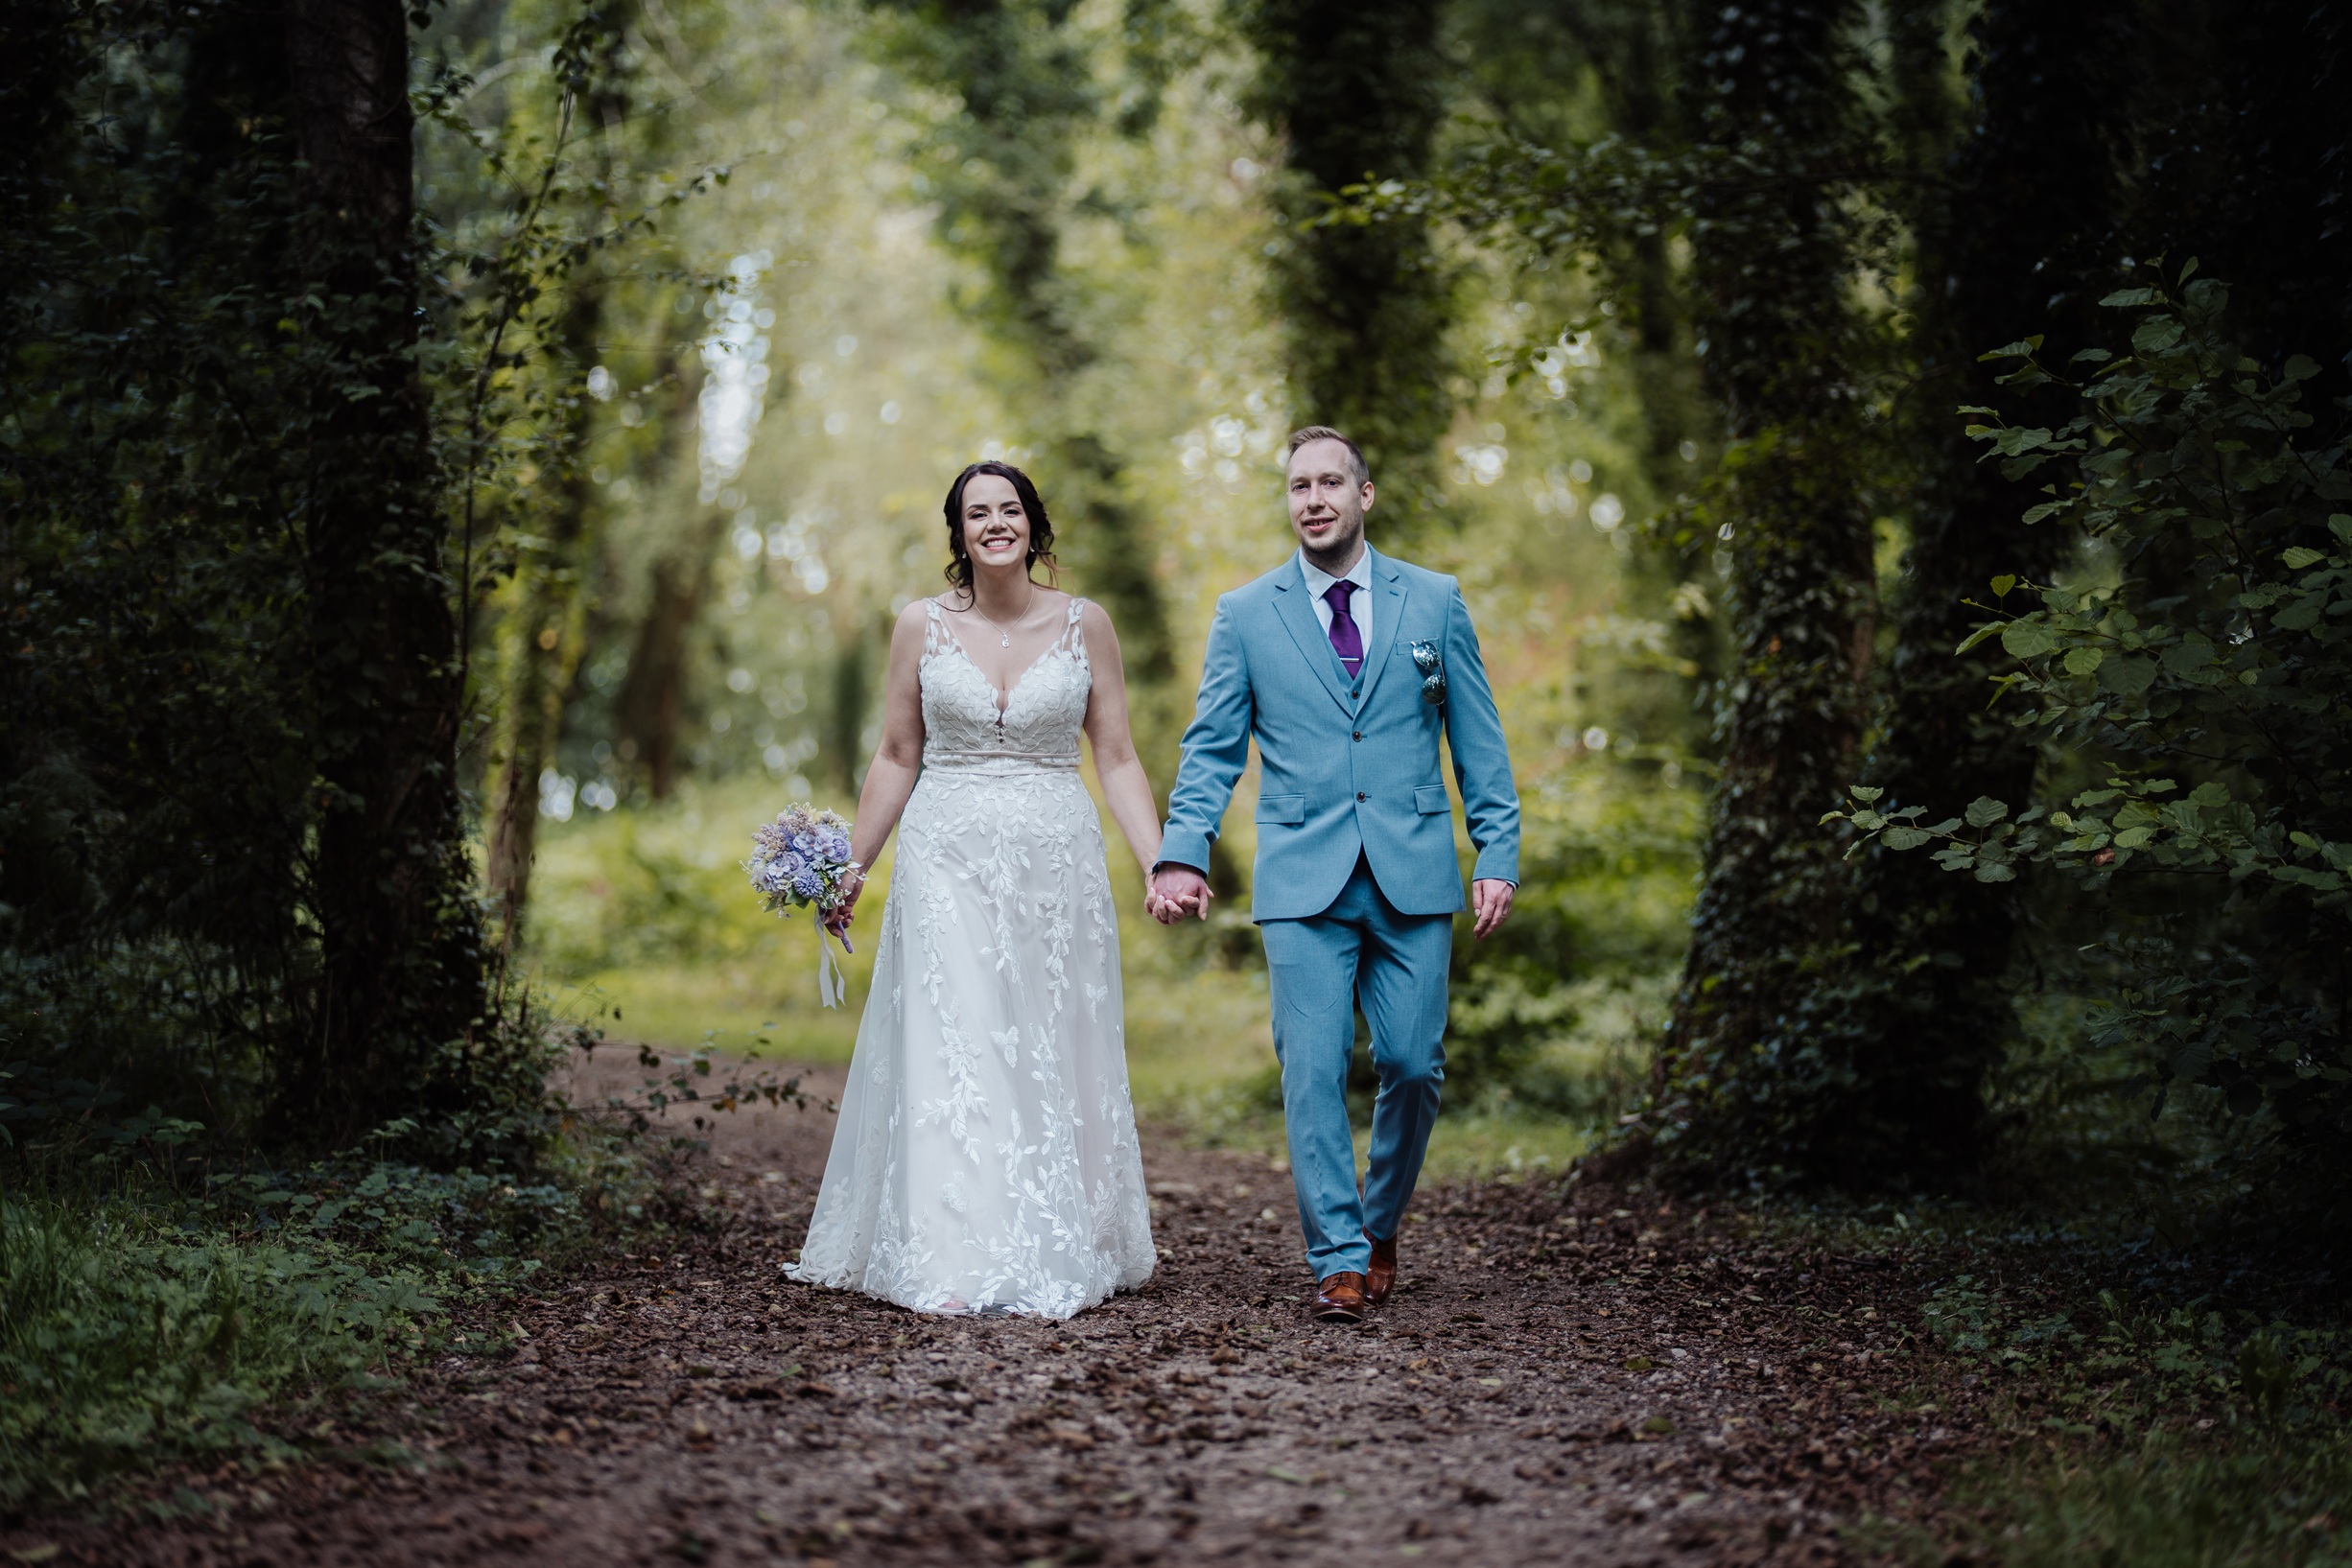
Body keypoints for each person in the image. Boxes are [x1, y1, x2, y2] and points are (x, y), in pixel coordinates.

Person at [1151, 427, 1519, 1323]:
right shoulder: (1246, 613)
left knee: (1413, 1061)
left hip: (1415, 869)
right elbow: (1210, 750)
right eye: (1298, 486)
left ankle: (1380, 1220)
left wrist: (1496, 850)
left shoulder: (1434, 601)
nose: (1313, 498)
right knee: (1311, 1068)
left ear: (1365, 493)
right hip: (1301, 874)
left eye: (1329, 482)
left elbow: (1477, 735)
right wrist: (1182, 849)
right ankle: (1340, 1258)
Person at [785, 461, 1162, 1317]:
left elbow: (1117, 755)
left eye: (1010, 508)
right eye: (976, 512)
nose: (996, 522)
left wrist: (1157, 859)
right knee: (961, 1039)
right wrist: (853, 867)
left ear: (1034, 523)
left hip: (1055, 861)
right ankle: (955, 1244)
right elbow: (895, 755)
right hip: (944, 855)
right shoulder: (919, 625)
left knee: (1046, 1037)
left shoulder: (1085, 624)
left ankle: (1069, 1230)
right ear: (958, 534)